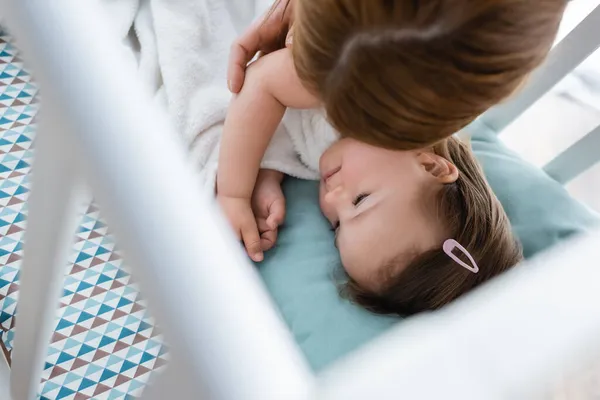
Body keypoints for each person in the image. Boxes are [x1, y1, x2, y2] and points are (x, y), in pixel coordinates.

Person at [219, 0, 567, 261]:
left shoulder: (410, 106)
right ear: (431, 165)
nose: (331, 198)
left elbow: (291, 135)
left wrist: (268, 174)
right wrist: (234, 191)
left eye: (336, 226)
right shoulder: (350, 79)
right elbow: (262, 82)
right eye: (361, 200)